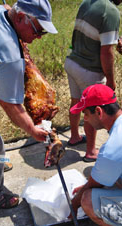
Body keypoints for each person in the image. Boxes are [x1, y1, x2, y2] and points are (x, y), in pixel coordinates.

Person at [0, 0, 57, 209]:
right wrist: (32, 129)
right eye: (38, 30)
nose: (38, 37)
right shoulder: (10, 55)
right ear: (20, 18)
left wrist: (8, 8)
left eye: (43, 33)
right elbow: (11, 105)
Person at [64, 0, 122, 162]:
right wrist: (110, 80)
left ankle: (74, 136)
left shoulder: (86, 3)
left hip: (72, 62)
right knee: (92, 109)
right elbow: (106, 52)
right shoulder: (111, 11)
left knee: (76, 101)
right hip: (89, 70)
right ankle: (90, 151)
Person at [70, 84, 122, 226]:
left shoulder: (112, 148)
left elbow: (93, 185)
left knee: (88, 200)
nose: (85, 119)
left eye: (86, 114)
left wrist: (74, 204)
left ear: (99, 112)